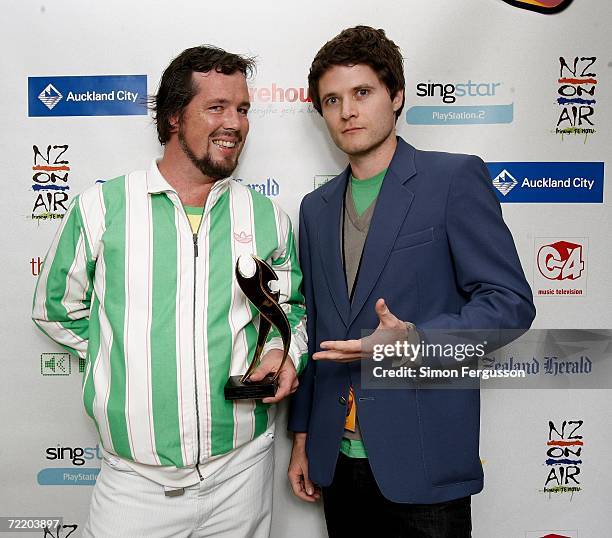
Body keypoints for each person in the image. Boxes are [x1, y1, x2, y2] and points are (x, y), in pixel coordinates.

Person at [32, 45, 307, 538]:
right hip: (136, 486)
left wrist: (281, 351)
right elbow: (55, 310)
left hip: (242, 473)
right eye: (217, 107)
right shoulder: (102, 207)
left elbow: (289, 309)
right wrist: (124, 352)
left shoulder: (267, 217)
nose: (236, 123)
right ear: (175, 116)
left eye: (242, 109)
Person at [287, 26, 535, 537]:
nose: (347, 111)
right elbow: (313, 327)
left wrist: (415, 340)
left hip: (424, 459)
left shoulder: (453, 179)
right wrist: (303, 436)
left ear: (396, 96)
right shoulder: (314, 209)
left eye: (362, 93)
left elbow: (509, 303)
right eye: (332, 100)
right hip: (336, 461)